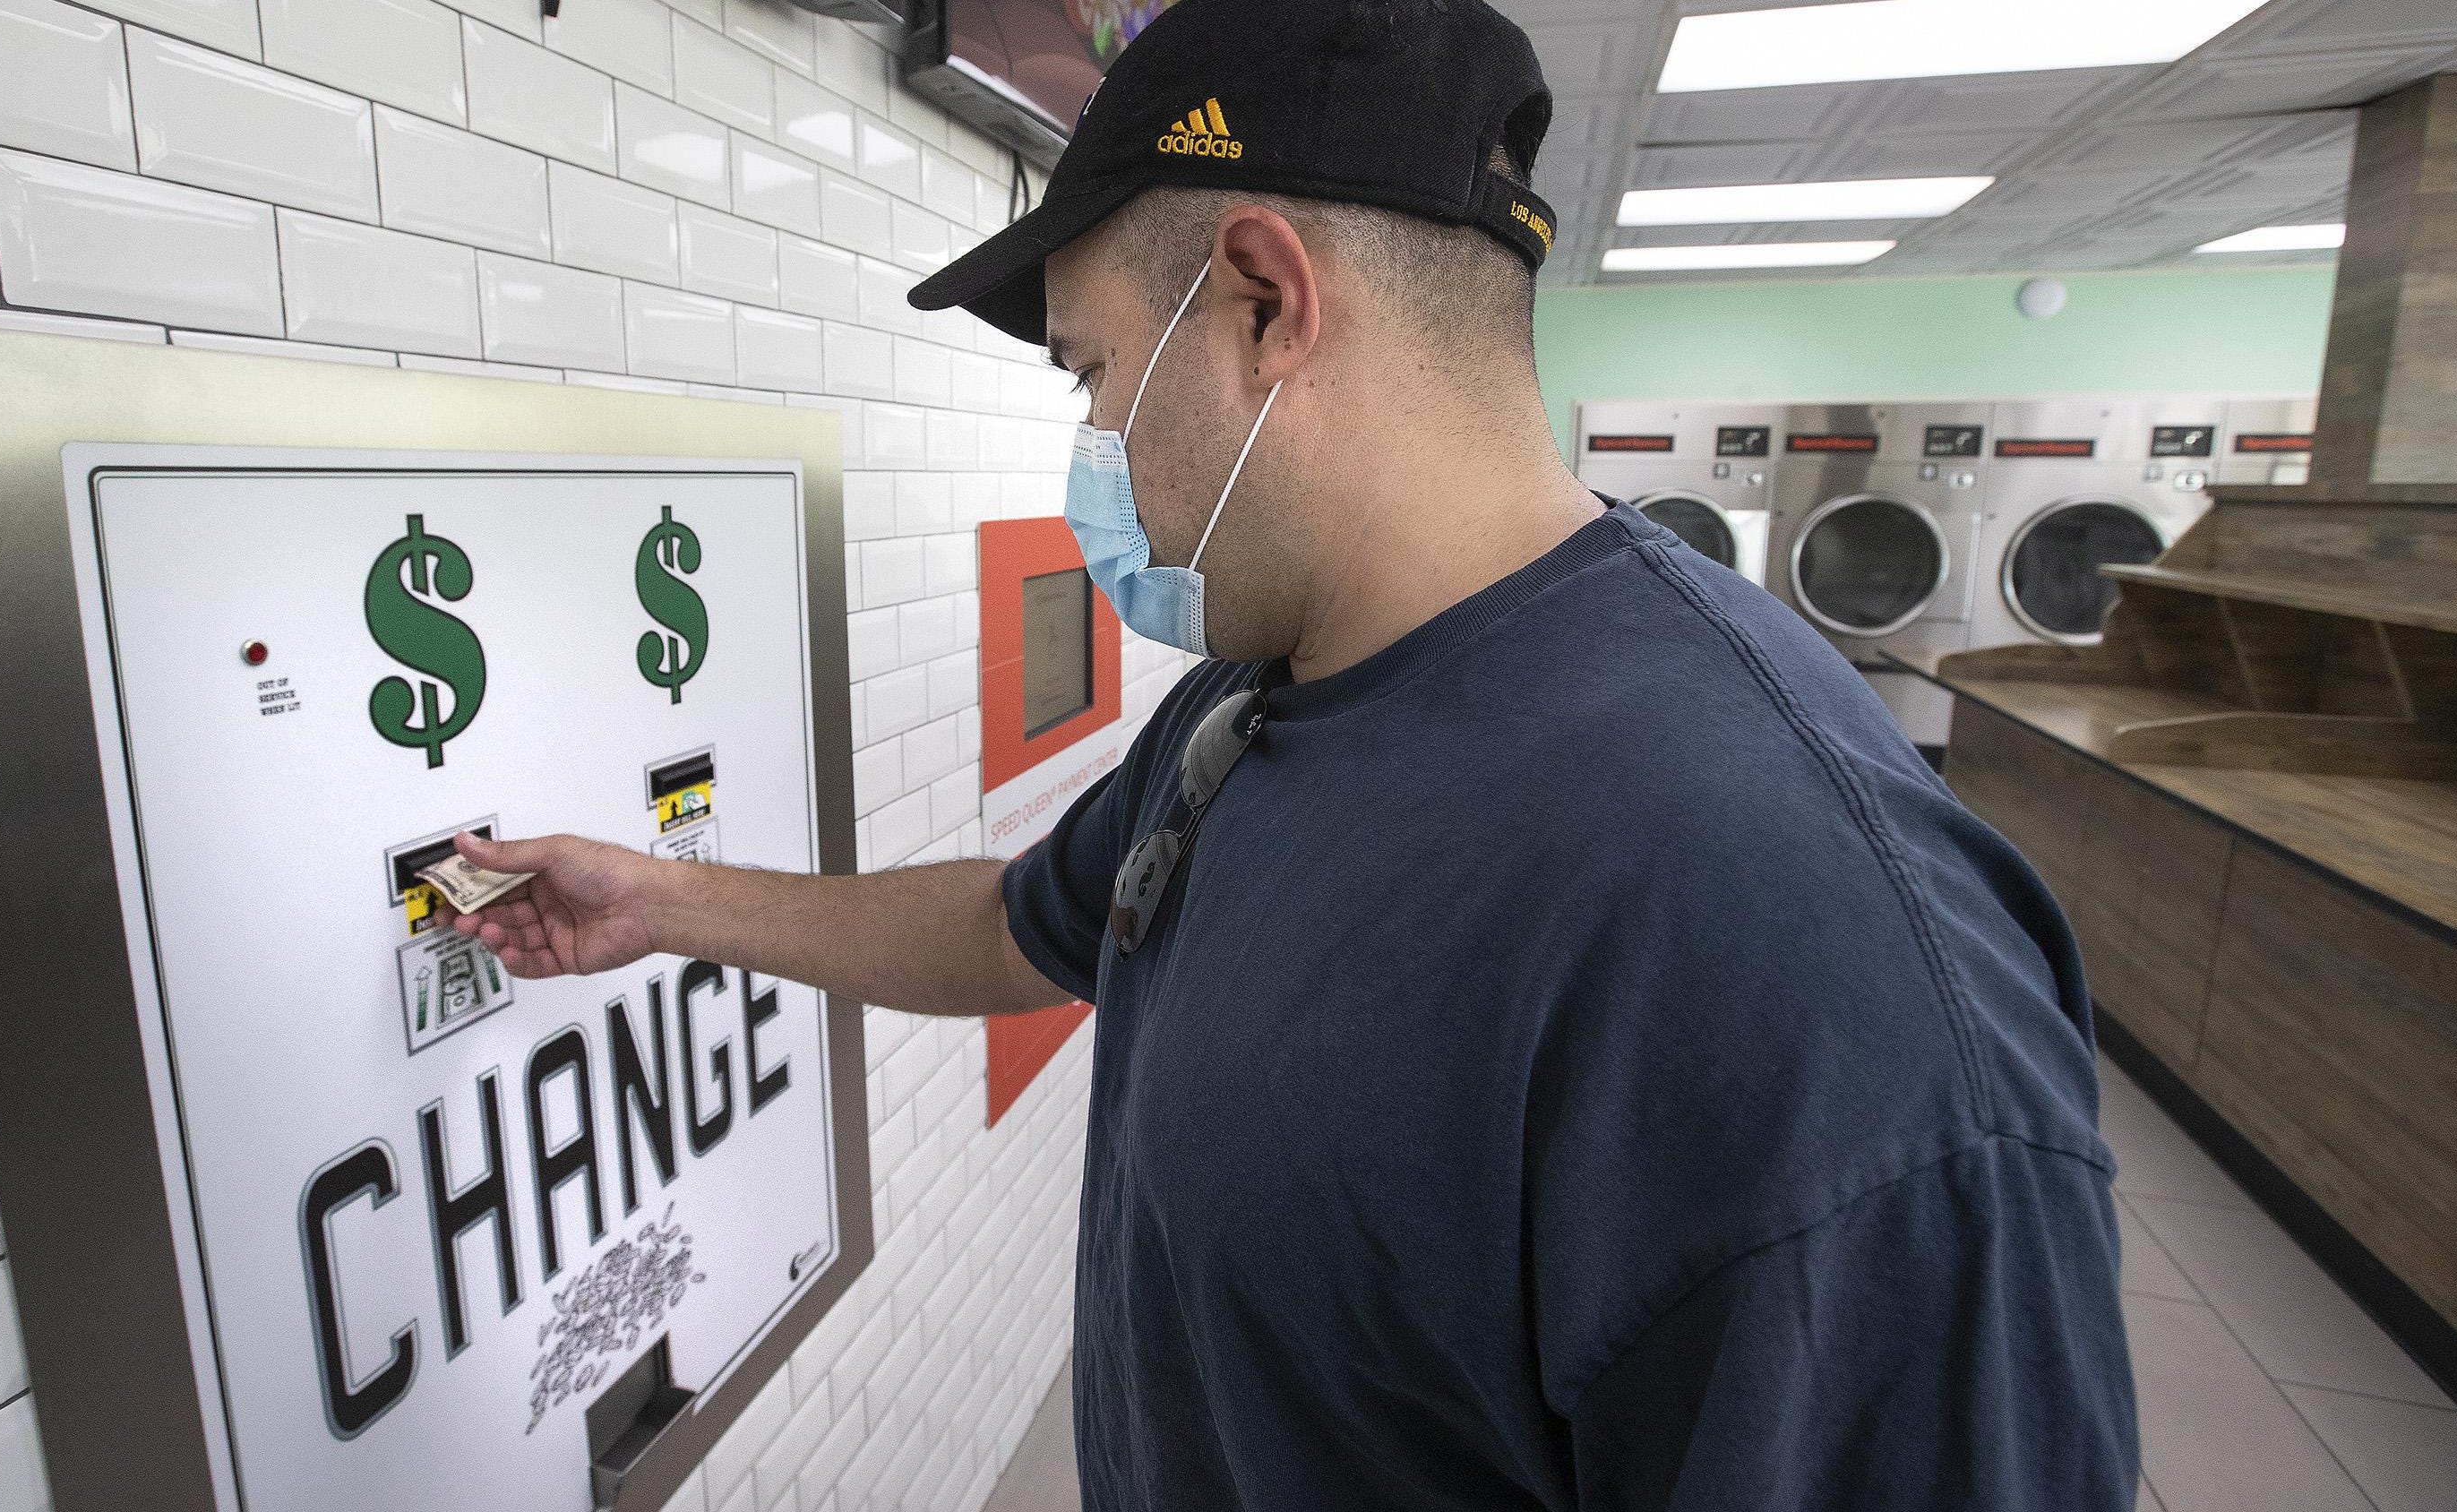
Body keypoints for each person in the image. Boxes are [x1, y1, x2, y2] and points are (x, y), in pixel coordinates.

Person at [451, 0, 2139, 1505]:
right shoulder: (1263, 692)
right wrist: (667, 902)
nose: (1094, 441)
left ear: (1267, 301)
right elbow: (1023, 928)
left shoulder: (1796, 941)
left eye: (1095, 369)